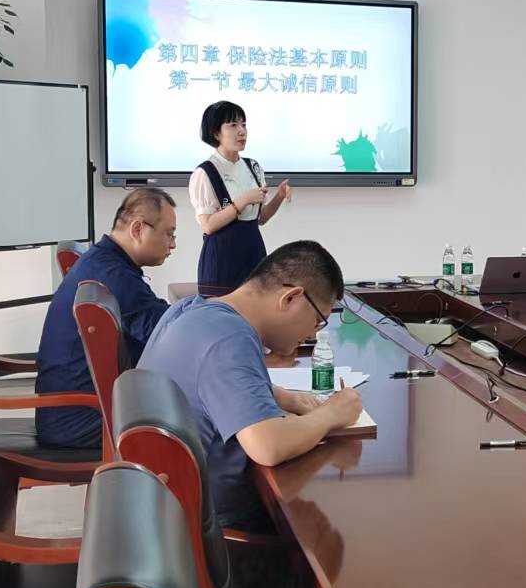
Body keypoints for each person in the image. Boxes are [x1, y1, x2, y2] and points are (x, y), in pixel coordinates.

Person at [137, 240, 362, 532]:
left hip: (155, 509)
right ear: (291, 298)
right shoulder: (231, 338)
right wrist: (332, 414)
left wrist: (283, 397)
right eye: (318, 321)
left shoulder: (188, 309)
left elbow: (208, 381)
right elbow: (268, 446)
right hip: (205, 531)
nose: (311, 335)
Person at [33, 187, 176, 448]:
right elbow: (168, 333)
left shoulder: (104, 261)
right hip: (80, 419)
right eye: (169, 233)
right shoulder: (113, 274)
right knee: (197, 415)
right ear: (137, 229)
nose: (173, 244)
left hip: (70, 411)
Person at [191, 100, 291, 291]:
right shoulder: (206, 172)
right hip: (222, 258)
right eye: (233, 125)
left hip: (253, 251)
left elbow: (260, 218)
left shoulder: (253, 167)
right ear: (216, 133)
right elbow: (208, 225)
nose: (242, 131)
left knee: (258, 303)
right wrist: (243, 201)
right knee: (223, 308)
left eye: (244, 125)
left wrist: (279, 195)